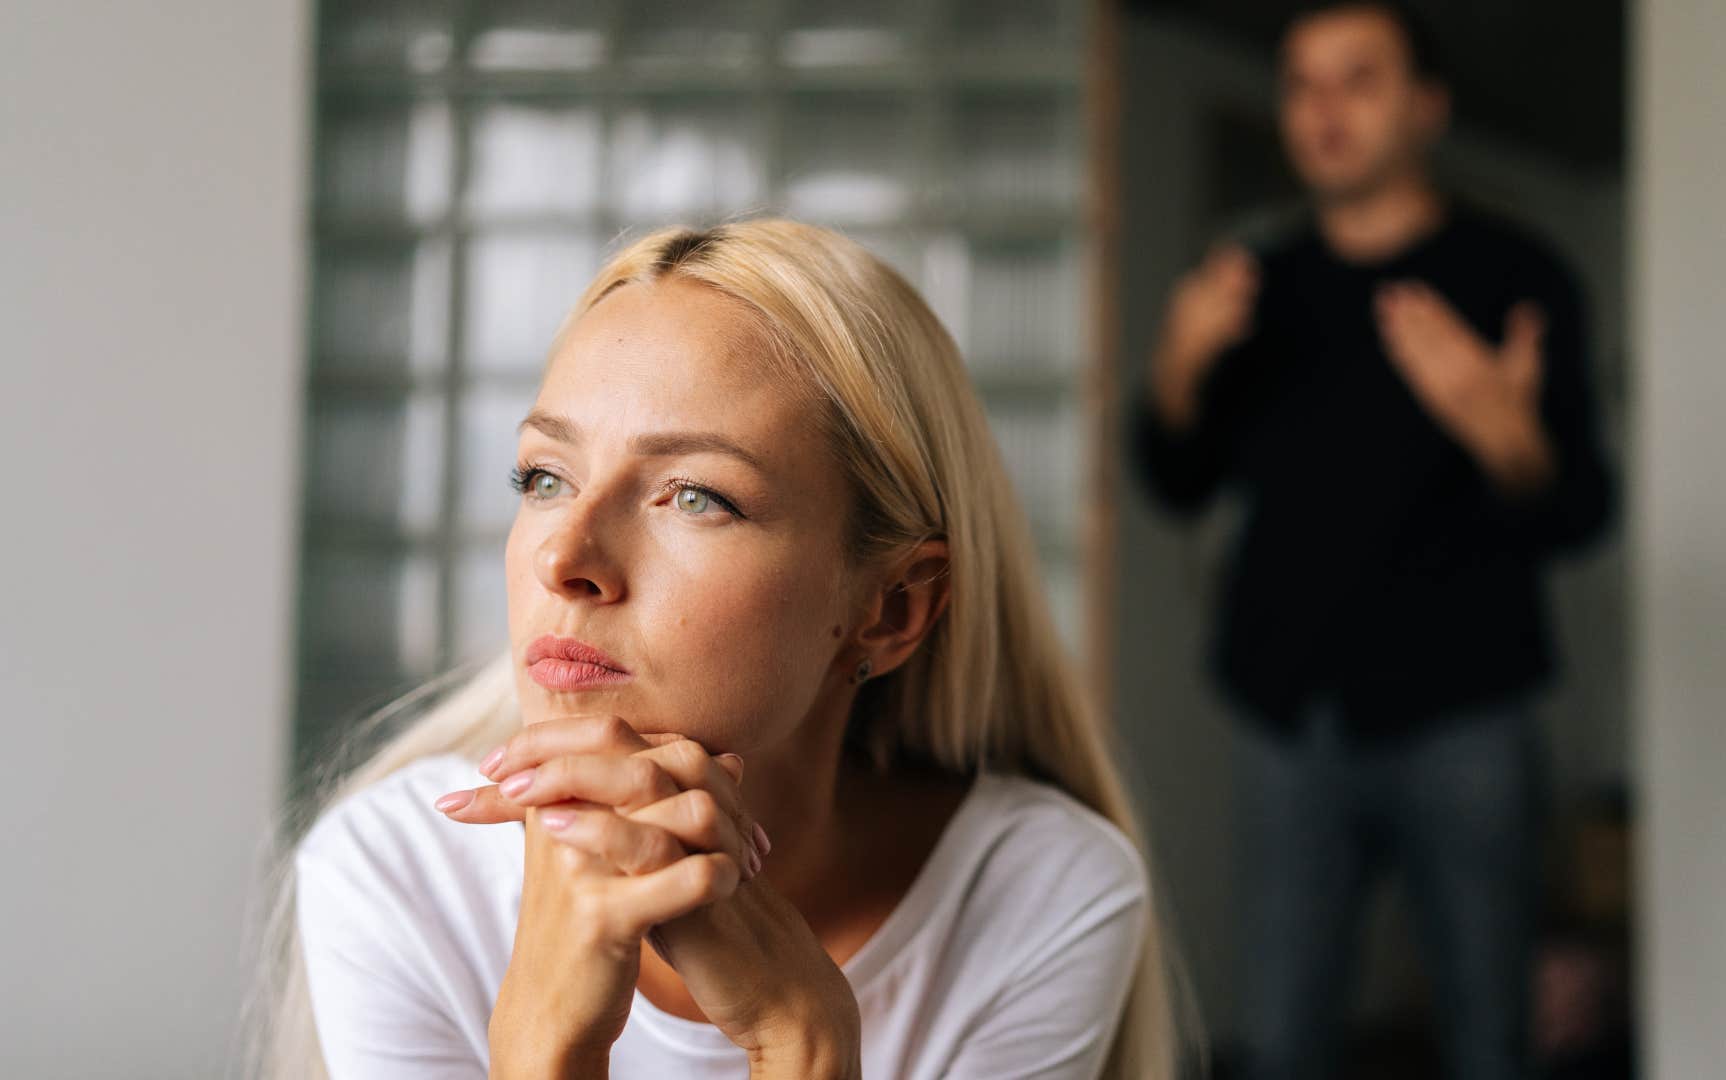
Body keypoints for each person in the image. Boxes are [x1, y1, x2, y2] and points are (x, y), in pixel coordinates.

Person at [258, 220, 1183, 1078]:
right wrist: (541, 1044)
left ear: (893, 608)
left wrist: (805, 1039)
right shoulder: (398, 873)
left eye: (695, 496)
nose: (565, 558)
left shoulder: (1034, 894)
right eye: (545, 477)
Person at [1130, 2, 1613, 1078]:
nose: (1325, 108)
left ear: (1427, 106)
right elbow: (1173, 481)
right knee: (1286, 1030)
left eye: (1359, 77)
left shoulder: (1515, 277)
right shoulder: (1252, 286)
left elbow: (1582, 513)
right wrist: (1177, 362)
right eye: (1303, 82)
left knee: (1492, 1029)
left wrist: (1505, 434)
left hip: (1468, 712)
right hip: (1289, 714)